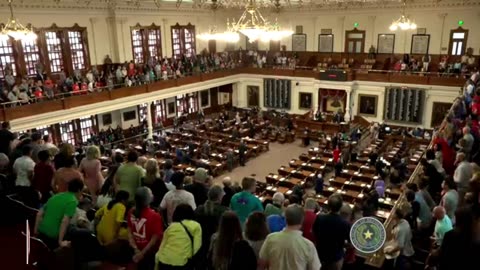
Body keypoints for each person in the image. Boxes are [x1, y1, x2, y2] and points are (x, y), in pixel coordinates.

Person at [260, 204, 321, 270]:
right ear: (302, 220)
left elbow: (262, 264)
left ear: (285, 219)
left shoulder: (270, 239)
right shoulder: (308, 246)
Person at [34, 178, 84, 250]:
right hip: (53, 236)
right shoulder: (73, 201)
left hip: (41, 231)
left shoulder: (56, 196)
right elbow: (65, 221)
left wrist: (35, 232)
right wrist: (60, 241)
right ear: (79, 190)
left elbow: (39, 214)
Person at [127, 187, 163, 270]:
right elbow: (154, 239)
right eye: (151, 194)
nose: (153, 195)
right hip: (150, 253)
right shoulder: (155, 216)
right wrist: (142, 253)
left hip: (136, 250)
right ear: (148, 199)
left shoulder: (131, 211)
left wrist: (136, 249)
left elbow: (129, 232)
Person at [156, 204, 202, 269]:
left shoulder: (171, 227)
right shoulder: (196, 226)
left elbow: (162, 246)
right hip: (182, 262)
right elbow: (197, 247)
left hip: (164, 260)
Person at [312, 194, 350, 270]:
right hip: (335, 258)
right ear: (341, 206)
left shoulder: (319, 218)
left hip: (319, 255)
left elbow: (314, 233)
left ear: (328, 205)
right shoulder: (345, 223)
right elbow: (350, 243)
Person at [194, 185, 228, 269]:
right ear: (219, 197)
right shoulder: (224, 211)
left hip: (200, 241)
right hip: (217, 243)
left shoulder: (199, 209)